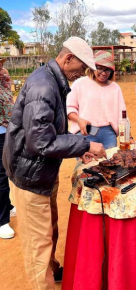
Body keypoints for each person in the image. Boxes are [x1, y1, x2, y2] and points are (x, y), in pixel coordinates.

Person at [3, 37, 106, 290]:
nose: (82, 73)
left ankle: (54, 271)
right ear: (67, 58)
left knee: (49, 231)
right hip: (30, 177)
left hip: (41, 172)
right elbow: (40, 142)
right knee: (38, 246)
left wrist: (74, 146)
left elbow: (49, 132)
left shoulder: (54, 82)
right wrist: (83, 145)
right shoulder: (43, 86)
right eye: (81, 67)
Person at [67, 50, 126, 149]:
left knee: (110, 162)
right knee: (88, 164)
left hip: (108, 134)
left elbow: (123, 114)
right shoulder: (80, 84)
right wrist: (79, 120)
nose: (103, 73)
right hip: (85, 132)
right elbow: (68, 108)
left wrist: (129, 135)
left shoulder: (115, 88)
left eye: (107, 69)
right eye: (100, 68)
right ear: (92, 67)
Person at [0, 58, 16, 239]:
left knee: (6, 170)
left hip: (6, 131)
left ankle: (8, 207)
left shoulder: (3, 80)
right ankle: (2, 221)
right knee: (1, 177)